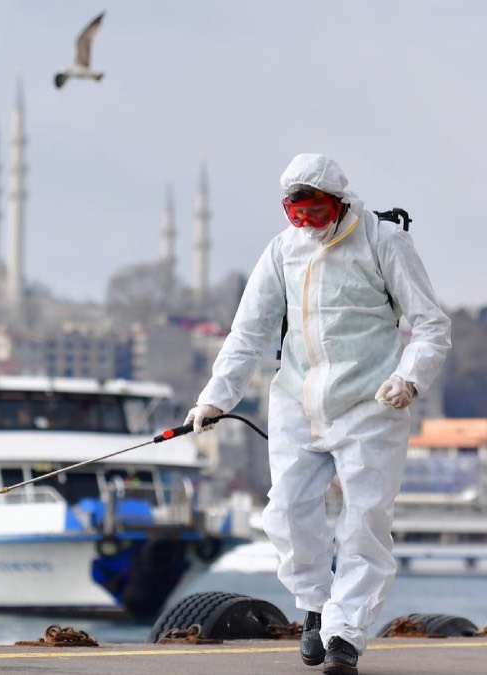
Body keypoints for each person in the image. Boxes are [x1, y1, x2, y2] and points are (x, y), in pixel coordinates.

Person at [185, 153, 451, 675]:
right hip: (296, 404)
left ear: (339, 202)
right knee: (284, 511)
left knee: (366, 522)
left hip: (371, 405)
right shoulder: (282, 252)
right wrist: (217, 397)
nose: (305, 223)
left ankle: (345, 636)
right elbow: (249, 332)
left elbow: (430, 324)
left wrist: (410, 377)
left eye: (313, 212)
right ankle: (314, 605)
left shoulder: (383, 242)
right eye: (295, 213)